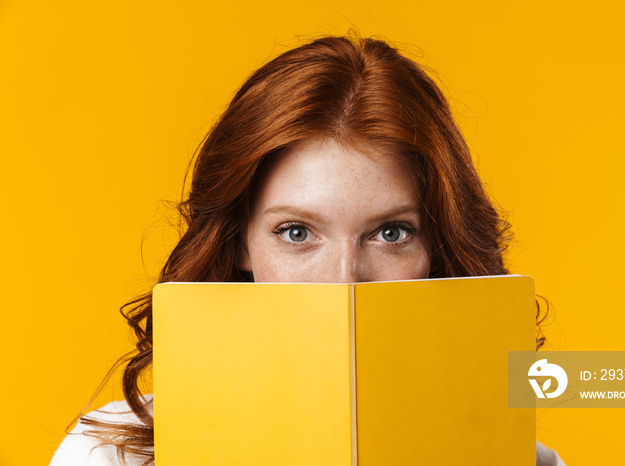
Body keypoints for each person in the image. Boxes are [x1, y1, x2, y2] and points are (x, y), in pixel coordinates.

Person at [50, 34, 565, 465]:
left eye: (392, 233)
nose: (344, 279)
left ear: (437, 249)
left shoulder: (522, 461)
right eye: (297, 232)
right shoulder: (108, 455)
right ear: (239, 244)